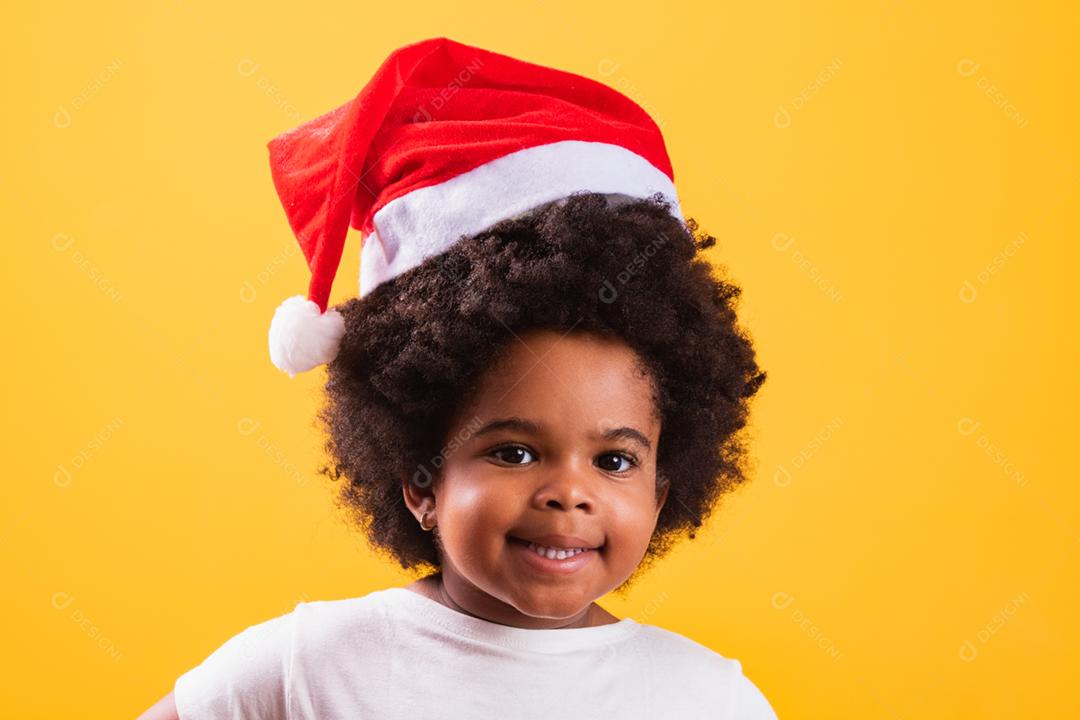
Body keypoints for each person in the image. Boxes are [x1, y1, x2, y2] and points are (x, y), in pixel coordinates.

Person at [138, 36, 775, 719]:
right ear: (420, 479)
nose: (568, 493)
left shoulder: (706, 698)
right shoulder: (308, 665)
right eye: (514, 452)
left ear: (662, 489)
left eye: (615, 459)